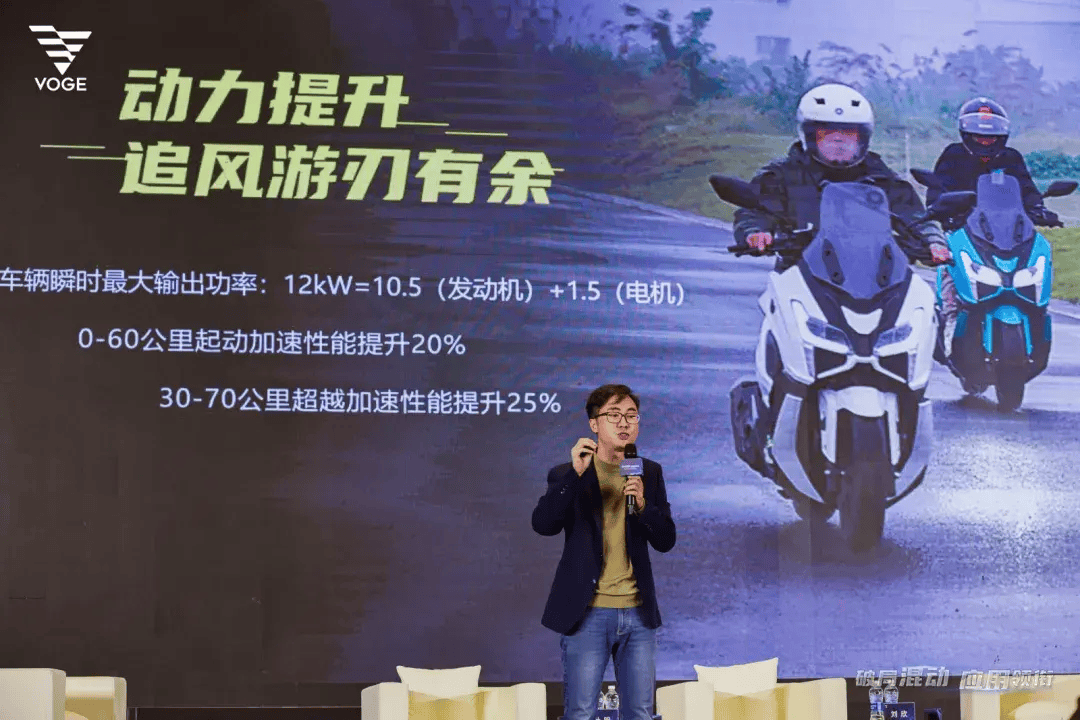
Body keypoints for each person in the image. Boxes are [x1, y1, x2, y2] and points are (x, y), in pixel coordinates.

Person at [531, 384, 676, 720]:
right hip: (588, 613)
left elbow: (666, 539)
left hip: (637, 613)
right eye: (614, 415)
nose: (624, 423)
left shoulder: (649, 472)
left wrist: (643, 505)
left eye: (631, 416)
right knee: (580, 712)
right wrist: (574, 476)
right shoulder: (568, 473)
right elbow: (543, 524)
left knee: (640, 713)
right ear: (594, 424)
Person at [733, 83, 952, 271]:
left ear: (863, 139)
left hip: (876, 275)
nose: (838, 142)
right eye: (828, 135)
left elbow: (914, 216)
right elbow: (756, 210)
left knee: (919, 301)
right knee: (775, 307)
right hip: (799, 272)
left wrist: (933, 241)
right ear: (808, 136)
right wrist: (756, 232)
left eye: (848, 135)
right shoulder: (781, 175)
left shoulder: (882, 178)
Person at [927, 97, 1062, 360]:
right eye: (979, 136)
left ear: (1002, 137)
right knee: (949, 271)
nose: (985, 142)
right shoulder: (953, 155)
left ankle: (1035, 318)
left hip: (1008, 231)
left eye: (990, 137)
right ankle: (950, 322)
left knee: (1036, 258)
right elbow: (937, 190)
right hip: (963, 228)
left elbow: (1027, 190)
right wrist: (941, 208)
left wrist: (1039, 209)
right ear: (966, 134)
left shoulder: (1012, 158)